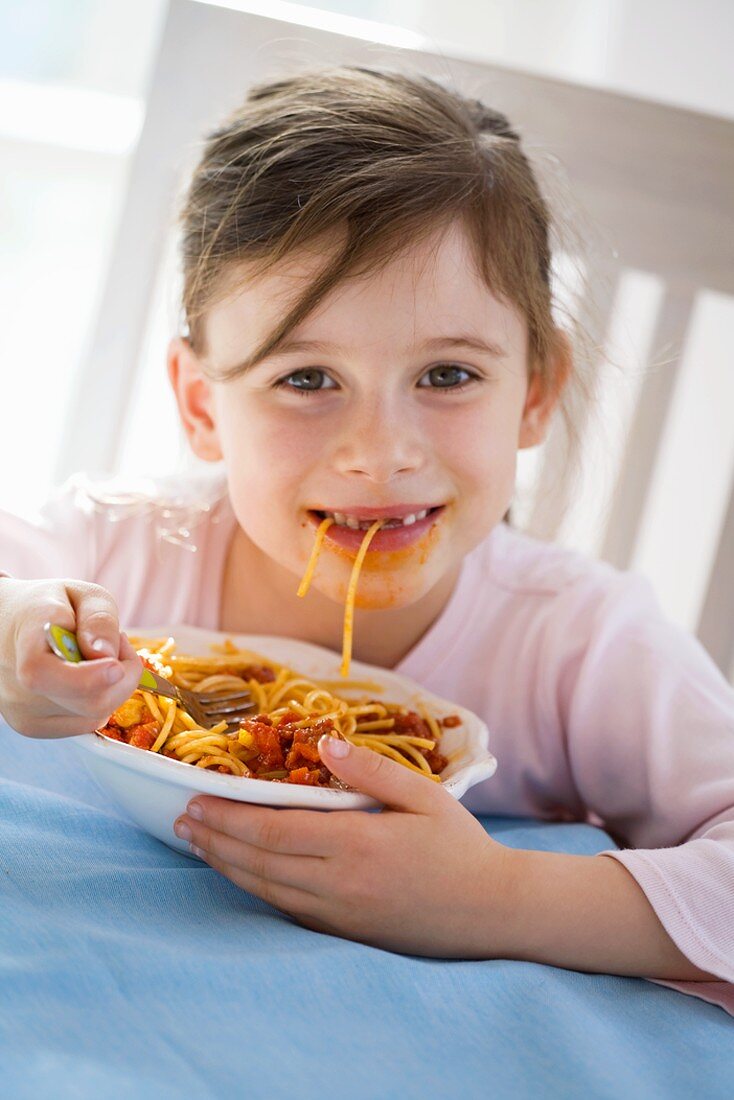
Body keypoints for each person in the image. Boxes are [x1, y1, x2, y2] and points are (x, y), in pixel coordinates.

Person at [0, 67, 732, 1015]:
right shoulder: (121, 543)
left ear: (537, 389)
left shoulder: (579, 640)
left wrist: (499, 899)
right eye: (307, 379)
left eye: (448, 373)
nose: (382, 454)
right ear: (201, 406)